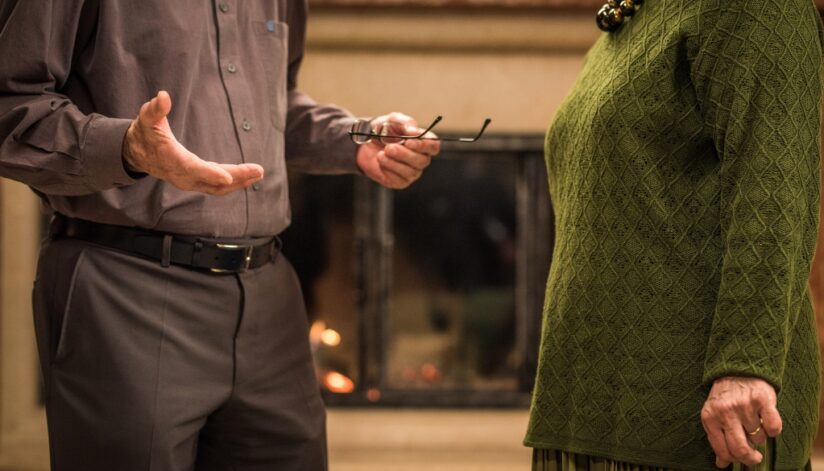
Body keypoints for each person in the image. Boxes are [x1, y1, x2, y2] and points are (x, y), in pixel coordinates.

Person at [0, 1, 438, 470]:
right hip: (125, 292)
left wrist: (354, 136)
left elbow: (274, 100)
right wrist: (128, 148)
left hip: (271, 301)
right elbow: (12, 103)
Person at [525, 0, 823, 469]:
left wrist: (744, 368)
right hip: (582, 406)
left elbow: (774, 194)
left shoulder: (760, 9)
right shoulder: (627, 23)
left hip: (695, 417)